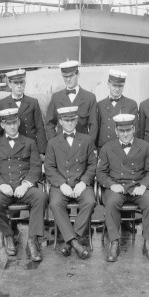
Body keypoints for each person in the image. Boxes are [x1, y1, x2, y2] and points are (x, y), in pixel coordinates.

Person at [96, 114, 149, 263]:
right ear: (116, 131)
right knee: (111, 203)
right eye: (121, 131)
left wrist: (143, 185)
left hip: (138, 186)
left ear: (134, 129)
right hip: (117, 187)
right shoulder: (107, 148)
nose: (125, 134)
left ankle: (148, 243)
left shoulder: (145, 146)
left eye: (128, 130)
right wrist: (112, 185)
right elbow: (100, 172)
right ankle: (114, 242)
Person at [0, 108, 47, 262]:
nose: (12, 127)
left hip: (23, 187)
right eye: (8, 124)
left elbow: (35, 167)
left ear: (19, 122)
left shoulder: (29, 143)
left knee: (40, 197)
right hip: (4, 188)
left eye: (14, 123)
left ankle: (32, 240)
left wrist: (26, 184)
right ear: (2, 125)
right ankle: (8, 236)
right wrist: (1, 185)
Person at [44, 106, 97, 259]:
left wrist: (84, 182)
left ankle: (69, 240)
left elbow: (93, 165)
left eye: (72, 120)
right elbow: (49, 167)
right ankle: (75, 243)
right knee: (55, 204)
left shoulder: (86, 140)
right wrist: (61, 184)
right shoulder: (53, 143)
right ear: (60, 121)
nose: (69, 123)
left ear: (76, 120)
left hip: (81, 183)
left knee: (90, 201)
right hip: (61, 185)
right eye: (66, 120)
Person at [0, 69, 47, 158]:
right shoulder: (1, 104)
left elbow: (39, 128)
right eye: (16, 83)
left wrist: (42, 151)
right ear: (10, 84)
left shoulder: (33, 103)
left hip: (29, 148)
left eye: (21, 83)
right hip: (9, 148)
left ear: (25, 83)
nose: (19, 86)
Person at [45, 60, 97, 143]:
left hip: (82, 146)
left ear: (78, 74)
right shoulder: (56, 97)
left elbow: (93, 126)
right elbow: (49, 123)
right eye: (65, 76)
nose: (68, 79)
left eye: (71, 76)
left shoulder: (89, 98)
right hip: (61, 146)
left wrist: (89, 145)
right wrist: (54, 143)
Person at [96, 69, 138, 152]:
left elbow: (135, 130)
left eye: (120, 86)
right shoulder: (100, 105)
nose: (117, 89)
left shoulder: (131, 104)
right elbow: (97, 129)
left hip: (123, 148)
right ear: (108, 84)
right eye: (114, 85)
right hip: (104, 148)